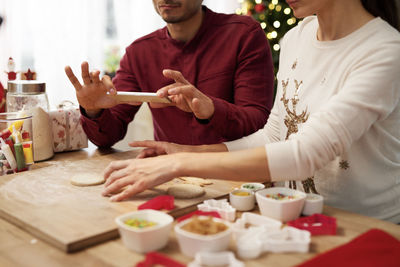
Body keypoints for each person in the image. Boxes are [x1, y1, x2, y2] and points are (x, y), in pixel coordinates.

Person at [101, 0, 400, 224]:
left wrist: (181, 163)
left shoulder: (384, 50)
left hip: (365, 226)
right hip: (294, 215)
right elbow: (273, 135)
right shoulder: (297, 39)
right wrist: (181, 151)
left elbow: (306, 154)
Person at [65, 0, 274, 148]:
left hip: (236, 176)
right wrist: (93, 111)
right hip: (169, 177)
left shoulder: (244, 34)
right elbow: (107, 137)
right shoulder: (139, 52)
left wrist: (210, 109)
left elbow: (259, 124)